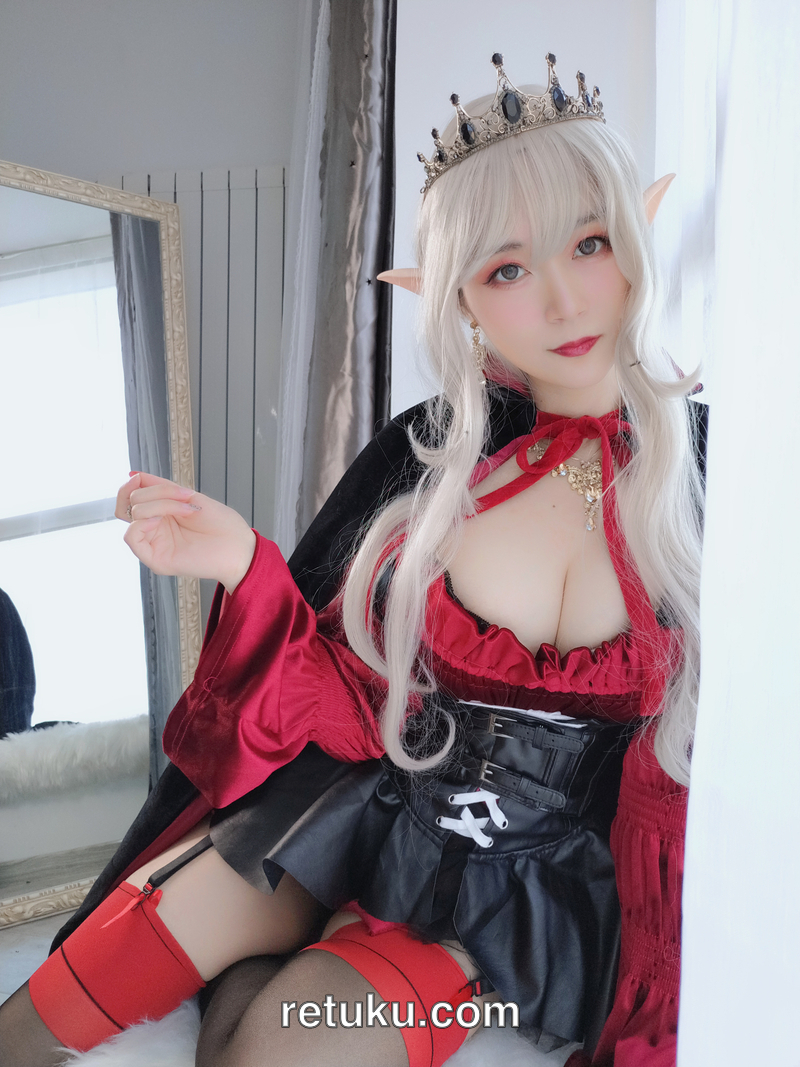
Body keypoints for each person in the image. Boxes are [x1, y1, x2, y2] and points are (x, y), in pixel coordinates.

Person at [0, 52, 706, 1067]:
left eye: (589, 243)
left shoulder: (712, 480)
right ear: (458, 299)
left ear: (637, 233)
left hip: (517, 903)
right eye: (507, 270)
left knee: (266, 1047)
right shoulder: (435, 456)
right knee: (74, 986)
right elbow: (343, 688)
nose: (561, 301)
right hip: (366, 808)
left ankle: (288, 963)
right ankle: (284, 931)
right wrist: (244, 563)